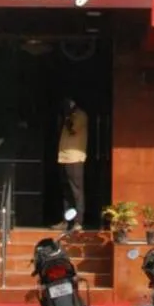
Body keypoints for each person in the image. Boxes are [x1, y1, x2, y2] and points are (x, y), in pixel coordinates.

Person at [57, 97, 88, 228]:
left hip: (74, 158)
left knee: (76, 192)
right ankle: (66, 220)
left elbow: (72, 129)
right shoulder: (67, 116)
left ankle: (78, 221)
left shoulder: (80, 115)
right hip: (63, 158)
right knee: (66, 192)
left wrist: (68, 116)